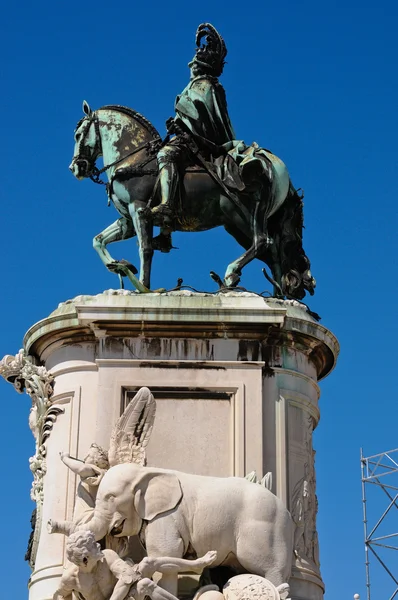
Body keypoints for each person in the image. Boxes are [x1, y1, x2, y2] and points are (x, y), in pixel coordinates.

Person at [151, 23, 234, 225]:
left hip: (198, 142)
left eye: (193, 64)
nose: (190, 67)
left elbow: (204, 119)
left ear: (200, 66)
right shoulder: (196, 85)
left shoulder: (206, 85)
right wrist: (177, 125)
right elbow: (192, 115)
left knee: (165, 154)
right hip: (185, 138)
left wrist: (183, 127)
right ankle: (165, 232)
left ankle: (167, 206)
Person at [53, 530, 217, 600]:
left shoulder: (107, 556)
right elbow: (58, 596)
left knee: (148, 564)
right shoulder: (71, 579)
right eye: (93, 546)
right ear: (85, 560)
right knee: (144, 583)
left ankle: (195, 565)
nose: (98, 546)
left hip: (124, 597)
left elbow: (128, 576)